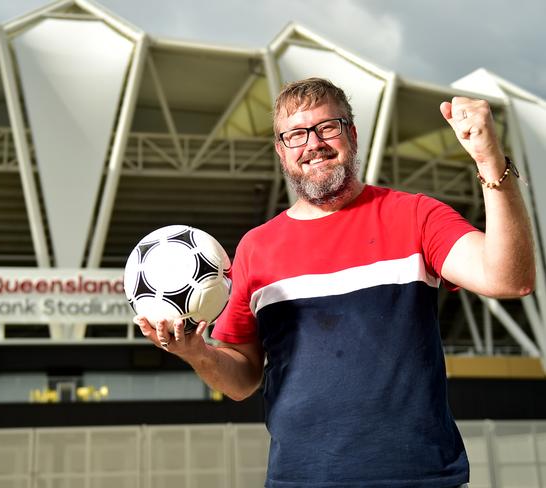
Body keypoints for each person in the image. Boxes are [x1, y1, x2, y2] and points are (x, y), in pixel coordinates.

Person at [134, 77, 535, 487]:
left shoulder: (415, 216)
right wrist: (198, 354)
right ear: (281, 150)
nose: (313, 143)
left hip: (420, 478)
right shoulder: (256, 249)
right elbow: (243, 381)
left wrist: (490, 162)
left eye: (328, 127)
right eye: (295, 134)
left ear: (352, 134)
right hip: (301, 479)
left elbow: (509, 278)